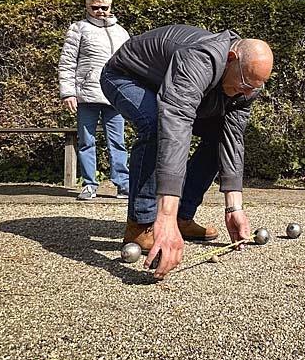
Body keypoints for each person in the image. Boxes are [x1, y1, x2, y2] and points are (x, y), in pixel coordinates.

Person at [99, 24, 273, 279]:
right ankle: (141, 222)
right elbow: (176, 122)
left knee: (218, 136)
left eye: (255, 88)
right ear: (232, 59)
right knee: (156, 125)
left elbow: (232, 139)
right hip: (127, 76)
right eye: (246, 84)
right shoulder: (199, 60)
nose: (248, 94)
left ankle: (183, 216)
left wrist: (233, 208)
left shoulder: (247, 85)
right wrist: (164, 216)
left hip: (166, 85)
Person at [58, 0, 130, 201]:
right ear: (87, 7)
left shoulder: (121, 32)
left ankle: (123, 184)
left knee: (117, 141)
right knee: (86, 141)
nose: (100, 11)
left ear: (111, 6)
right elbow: (67, 62)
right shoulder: (78, 29)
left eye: (104, 7)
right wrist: (68, 93)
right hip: (87, 95)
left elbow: (130, 64)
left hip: (115, 96)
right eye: (95, 7)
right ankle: (90, 184)